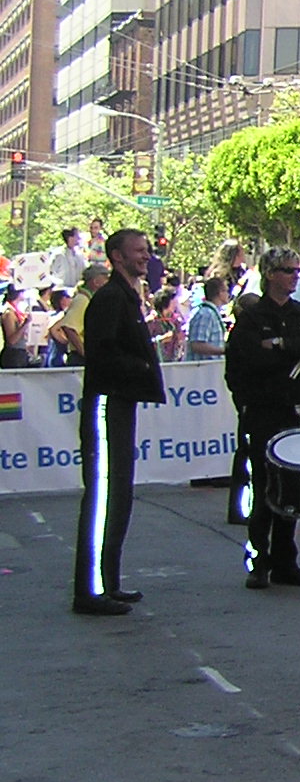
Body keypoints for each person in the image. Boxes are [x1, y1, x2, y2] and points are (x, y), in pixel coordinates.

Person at [68, 230, 163, 614]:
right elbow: (103, 354)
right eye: (138, 251)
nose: (146, 256)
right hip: (108, 403)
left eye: (147, 250)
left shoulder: (127, 297)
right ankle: (90, 590)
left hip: (121, 404)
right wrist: (141, 367)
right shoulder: (110, 298)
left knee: (119, 496)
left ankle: (108, 582)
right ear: (117, 257)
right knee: (105, 497)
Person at [225, 248, 300, 590]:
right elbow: (247, 363)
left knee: (292, 487)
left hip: (296, 411)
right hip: (263, 412)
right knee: (265, 488)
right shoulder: (252, 319)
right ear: (270, 274)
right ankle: (259, 560)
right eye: (288, 270)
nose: (294, 276)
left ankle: (286, 562)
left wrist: (282, 343)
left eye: (297, 270)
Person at [185, 276, 229, 361]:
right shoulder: (206, 314)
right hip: (203, 367)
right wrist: (224, 351)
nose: (228, 294)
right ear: (220, 293)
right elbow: (197, 345)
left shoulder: (212, 313)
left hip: (211, 367)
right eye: (226, 291)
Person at [51, 226, 88, 293]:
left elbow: (84, 271)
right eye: (77, 236)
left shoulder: (79, 255)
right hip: (61, 291)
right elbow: (51, 273)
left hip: (76, 291)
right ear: (70, 238)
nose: (79, 238)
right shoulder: (59, 254)